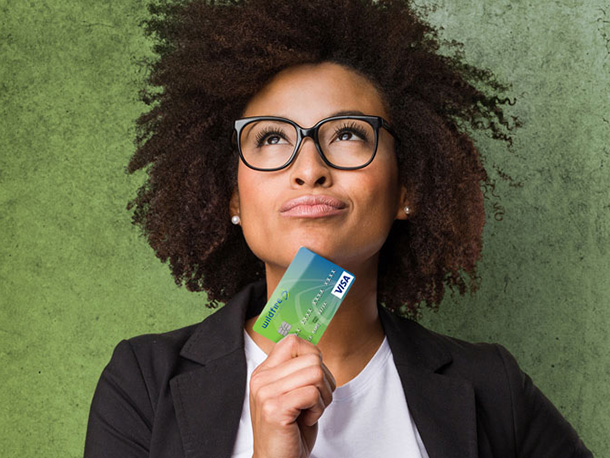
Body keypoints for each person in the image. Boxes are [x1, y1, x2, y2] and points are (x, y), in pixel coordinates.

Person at [85, 0, 592, 456]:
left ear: (406, 192)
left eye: (348, 133)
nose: (309, 168)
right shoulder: (143, 383)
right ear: (233, 199)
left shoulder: (491, 387)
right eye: (270, 139)